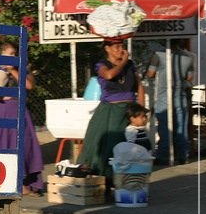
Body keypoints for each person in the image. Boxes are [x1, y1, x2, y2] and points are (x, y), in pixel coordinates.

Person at [77, 38, 144, 179]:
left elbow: (139, 86)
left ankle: (123, 177)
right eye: (117, 47)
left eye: (122, 46)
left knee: (125, 142)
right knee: (102, 142)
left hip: (128, 110)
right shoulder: (102, 65)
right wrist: (124, 61)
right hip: (110, 110)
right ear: (107, 49)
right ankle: (102, 176)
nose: (121, 49)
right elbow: (109, 75)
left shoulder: (130, 65)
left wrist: (141, 110)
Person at [0, 69, 44, 196]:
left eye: (13, 53)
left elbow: (29, 85)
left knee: (19, 143)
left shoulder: (20, 67)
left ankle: (20, 182)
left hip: (12, 107)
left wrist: (12, 69)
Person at [146, 39, 194, 164]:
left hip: (163, 96)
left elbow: (150, 74)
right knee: (181, 127)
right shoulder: (188, 57)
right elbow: (189, 78)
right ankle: (182, 155)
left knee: (164, 127)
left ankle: (163, 155)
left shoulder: (158, 55)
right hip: (181, 95)